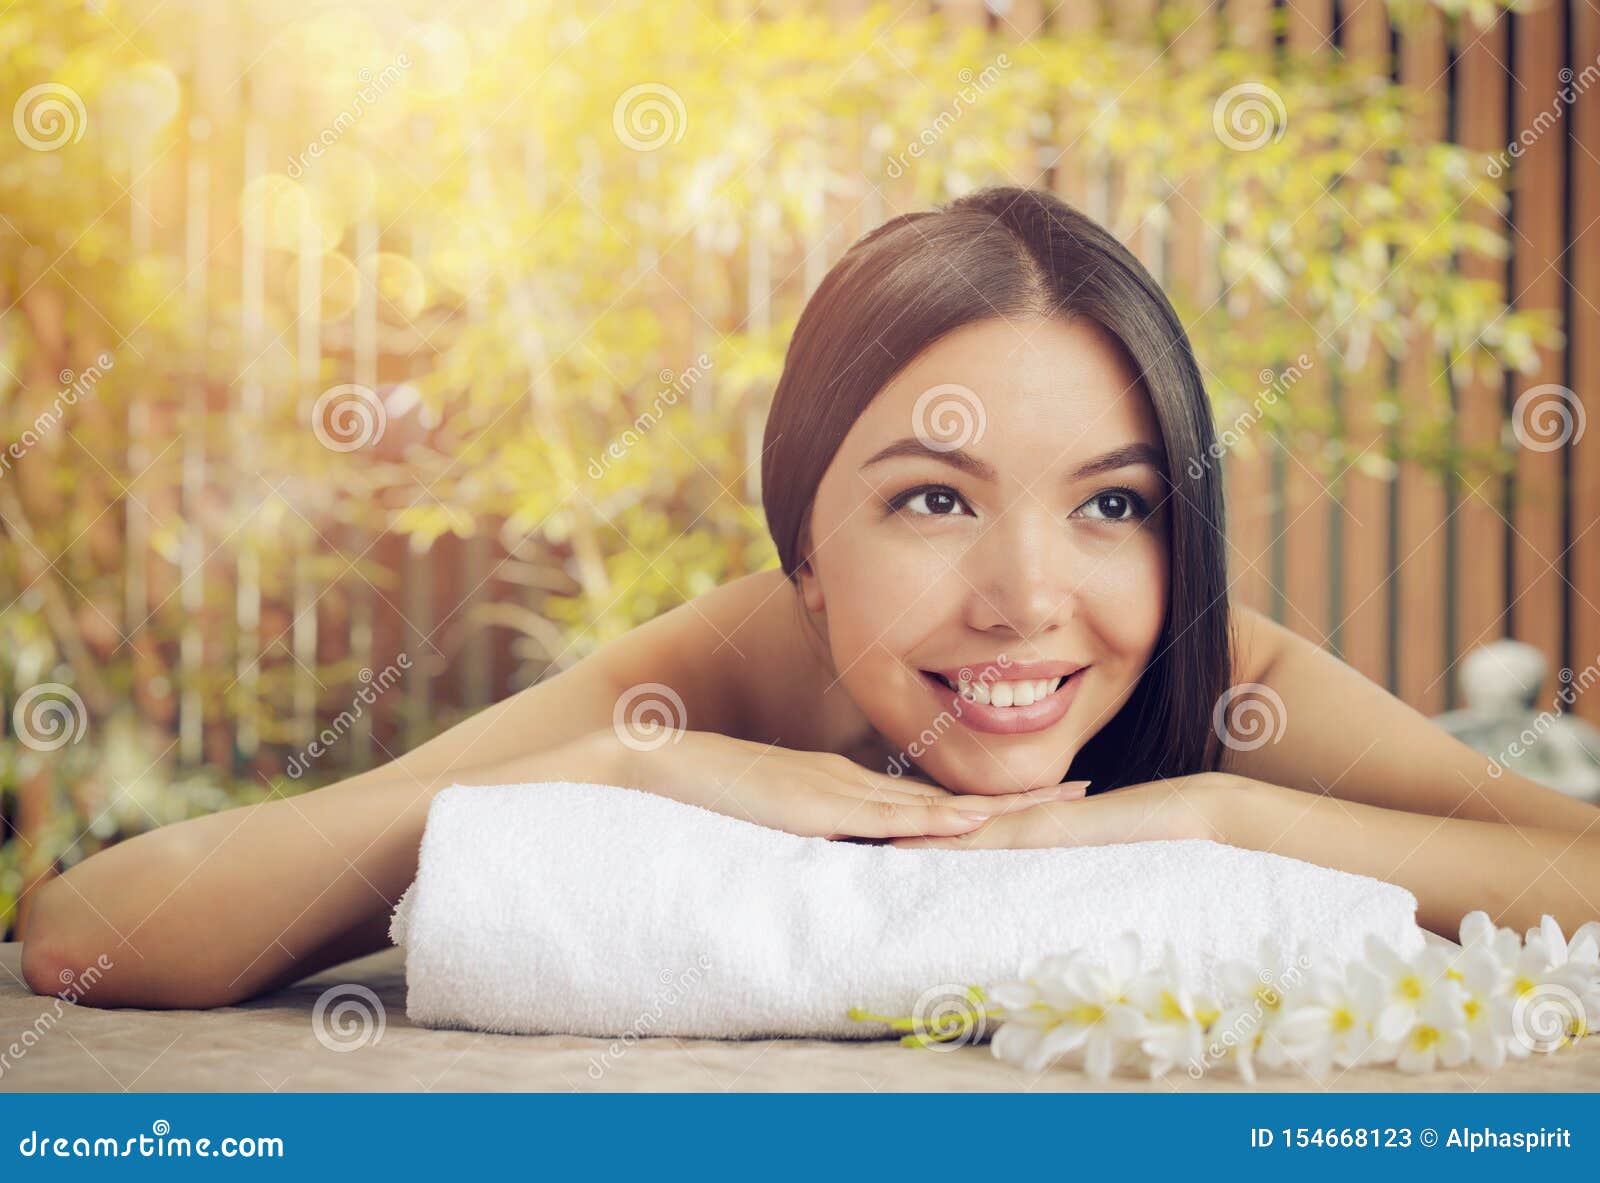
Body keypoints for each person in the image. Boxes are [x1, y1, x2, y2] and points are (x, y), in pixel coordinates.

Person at [22, 185, 1600, 1010]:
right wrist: (616, 768)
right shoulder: (722, 668)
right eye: (933, 499)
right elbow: (89, 937)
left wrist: (1220, 816)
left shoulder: (1215, 671)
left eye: (1112, 505)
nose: (1027, 599)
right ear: (801, 545)